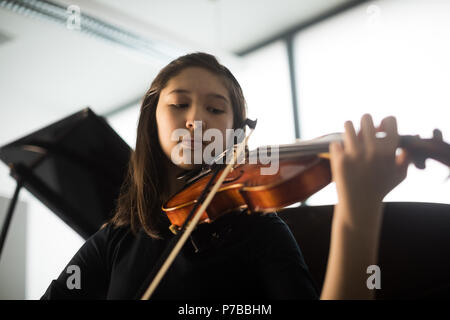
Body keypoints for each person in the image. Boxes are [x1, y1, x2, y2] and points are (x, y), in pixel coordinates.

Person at [41, 52, 412, 300]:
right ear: (152, 119)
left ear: (235, 130)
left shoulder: (260, 233)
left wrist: (359, 210)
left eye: (215, 109)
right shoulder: (116, 238)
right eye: (179, 103)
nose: (196, 119)